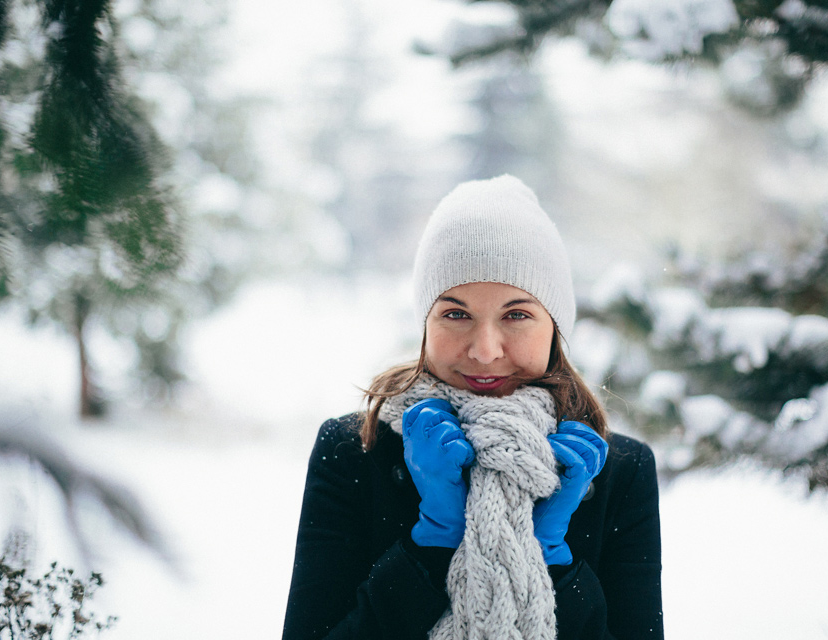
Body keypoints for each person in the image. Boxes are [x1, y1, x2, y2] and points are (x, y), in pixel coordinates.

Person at [281, 175, 663, 640]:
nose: (485, 351)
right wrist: (431, 543)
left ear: (555, 328)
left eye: (517, 315)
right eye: (456, 313)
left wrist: (551, 561)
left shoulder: (618, 471)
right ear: (426, 323)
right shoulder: (353, 451)